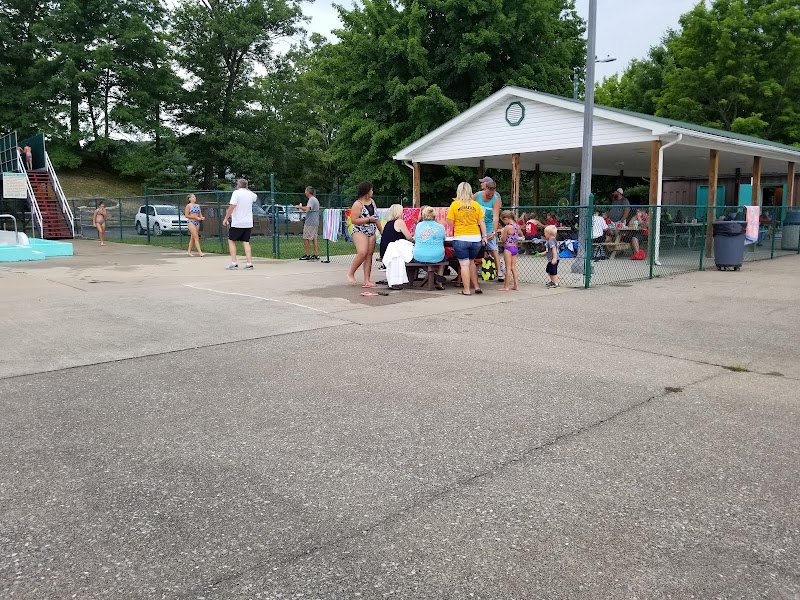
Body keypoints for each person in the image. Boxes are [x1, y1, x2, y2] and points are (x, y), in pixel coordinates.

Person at [447, 182, 487, 296]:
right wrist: (484, 237)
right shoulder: (476, 205)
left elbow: (450, 222)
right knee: (471, 263)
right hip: (475, 238)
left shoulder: (455, 205)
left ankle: (466, 289)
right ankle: (476, 286)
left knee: (464, 264)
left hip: (461, 237)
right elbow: (482, 222)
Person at [347, 181, 383, 287]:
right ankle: (351, 273)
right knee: (362, 252)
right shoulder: (357, 204)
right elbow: (354, 220)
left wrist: (381, 230)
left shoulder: (372, 202)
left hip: (371, 230)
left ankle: (367, 280)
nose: (372, 192)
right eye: (371, 190)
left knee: (369, 255)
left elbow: (376, 218)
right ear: (367, 191)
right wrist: (368, 219)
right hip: (359, 230)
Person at [474, 176, 504, 281]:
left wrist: (494, 231)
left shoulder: (495, 199)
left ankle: (499, 271)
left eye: (492, 194)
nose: (490, 196)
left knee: (493, 249)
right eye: (488, 194)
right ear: (485, 189)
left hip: (488, 226)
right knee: (476, 248)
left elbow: (496, 217)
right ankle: (476, 270)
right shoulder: (477, 196)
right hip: (476, 225)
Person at [222, 179, 256, 270]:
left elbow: (232, 206)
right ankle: (249, 263)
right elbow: (255, 197)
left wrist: (226, 218)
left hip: (238, 222)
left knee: (231, 240)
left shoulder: (236, 193)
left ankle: (234, 262)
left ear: (238, 185)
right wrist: (248, 189)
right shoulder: (251, 194)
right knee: (245, 241)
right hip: (248, 222)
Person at [413, 206, 447, 290]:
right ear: (434, 216)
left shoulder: (419, 226)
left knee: (425, 259)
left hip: (419, 255)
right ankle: (439, 280)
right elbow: (444, 240)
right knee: (443, 259)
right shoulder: (440, 227)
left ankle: (432, 275)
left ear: (423, 216)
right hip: (437, 256)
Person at [296, 186, 320, 260]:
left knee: (305, 238)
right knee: (314, 238)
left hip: (310, 223)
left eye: (305, 191)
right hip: (315, 222)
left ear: (308, 192)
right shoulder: (315, 199)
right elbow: (308, 210)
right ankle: (316, 254)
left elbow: (307, 209)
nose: (305, 192)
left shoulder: (311, 200)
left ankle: (307, 255)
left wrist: (299, 207)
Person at [498, 210, 520, 291]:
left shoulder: (507, 227)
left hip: (508, 248)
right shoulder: (517, 226)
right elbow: (520, 234)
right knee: (513, 267)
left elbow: (503, 239)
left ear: (506, 218)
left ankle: (506, 286)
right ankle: (516, 286)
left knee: (508, 268)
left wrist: (502, 232)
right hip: (515, 247)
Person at [544, 224, 559, 288]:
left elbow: (554, 249)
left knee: (553, 271)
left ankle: (556, 283)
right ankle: (552, 281)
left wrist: (554, 258)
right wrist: (541, 254)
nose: (544, 234)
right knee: (548, 270)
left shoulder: (551, 240)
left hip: (553, 259)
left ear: (549, 233)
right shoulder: (549, 240)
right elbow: (548, 250)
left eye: (545, 233)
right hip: (551, 259)